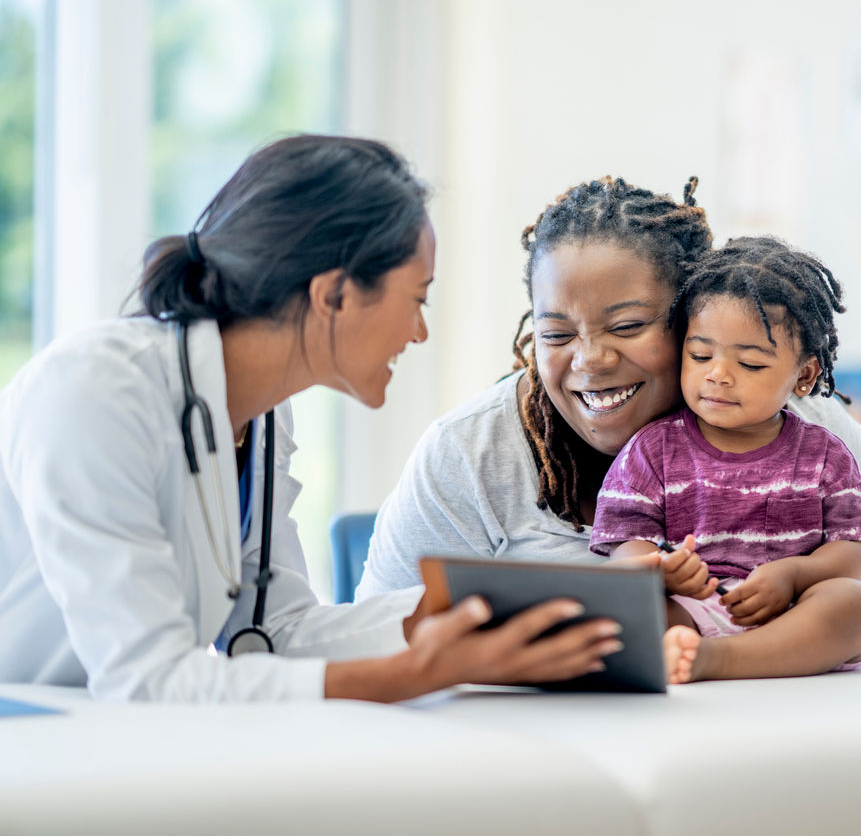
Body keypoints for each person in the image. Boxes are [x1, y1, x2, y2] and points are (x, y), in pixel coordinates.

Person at [0, 135, 623, 702]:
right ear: (334, 295)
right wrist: (412, 675)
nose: (419, 331)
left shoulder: (264, 414)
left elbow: (275, 631)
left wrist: (480, 608)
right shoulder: (94, 390)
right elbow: (147, 680)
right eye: (417, 299)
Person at [358, 176, 861, 637]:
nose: (589, 360)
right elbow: (379, 631)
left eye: (630, 325)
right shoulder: (468, 453)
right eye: (556, 335)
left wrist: (773, 626)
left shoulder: (803, 430)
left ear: (695, 316)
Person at [590, 236, 861, 683]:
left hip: (794, 614)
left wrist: (794, 574)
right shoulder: (651, 451)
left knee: (858, 605)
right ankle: (690, 650)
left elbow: (855, 552)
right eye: (700, 355)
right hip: (689, 610)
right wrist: (662, 571)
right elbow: (625, 546)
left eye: (749, 364)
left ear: (804, 375)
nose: (718, 375)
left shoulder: (825, 456)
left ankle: (718, 661)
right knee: (620, 608)